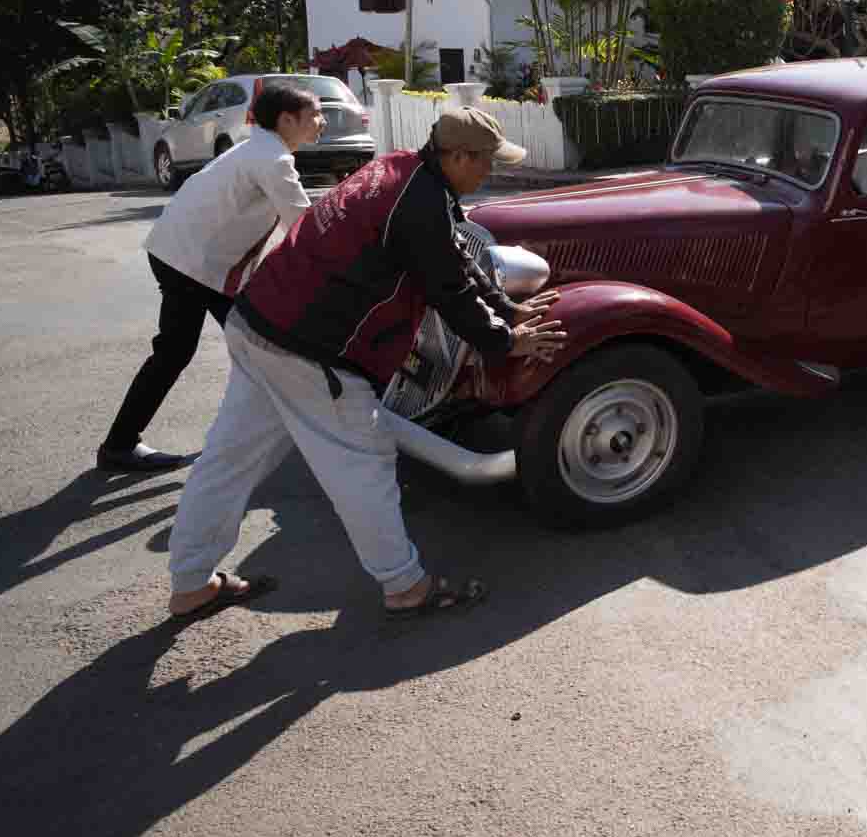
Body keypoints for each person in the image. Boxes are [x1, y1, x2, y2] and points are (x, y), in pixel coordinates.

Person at [163, 107, 566, 621]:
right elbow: (448, 290)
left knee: (228, 460)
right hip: (308, 350)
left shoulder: (401, 171)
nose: (491, 173)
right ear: (460, 156)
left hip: (257, 320)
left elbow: (458, 258)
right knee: (364, 462)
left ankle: (191, 583)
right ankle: (405, 587)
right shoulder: (419, 201)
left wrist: (507, 310)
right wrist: (505, 341)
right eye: (486, 162)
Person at [98, 81, 323, 472]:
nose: (321, 122)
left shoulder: (260, 149)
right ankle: (119, 445)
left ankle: (276, 434)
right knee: (193, 350)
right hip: (191, 264)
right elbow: (305, 227)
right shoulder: (272, 160)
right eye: (314, 115)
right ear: (287, 119)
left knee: (255, 343)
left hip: (187, 257)